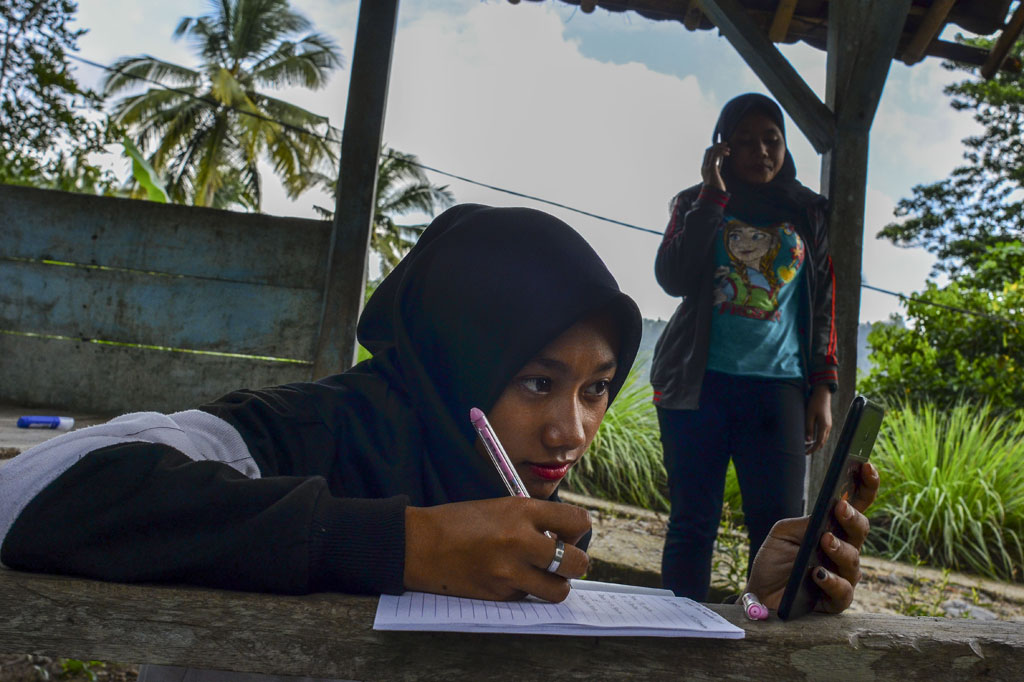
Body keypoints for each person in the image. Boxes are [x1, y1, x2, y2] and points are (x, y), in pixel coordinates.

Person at [1, 204, 869, 682]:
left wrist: (756, 611)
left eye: (597, 388)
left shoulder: (516, 500)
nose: (572, 429)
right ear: (459, 351)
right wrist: (405, 545)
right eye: (537, 382)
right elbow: (36, 490)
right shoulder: (312, 430)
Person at [652, 93, 839, 600]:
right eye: (745, 141)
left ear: (785, 145)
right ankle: (679, 637)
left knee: (778, 532)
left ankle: (766, 645)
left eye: (771, 139)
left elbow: (823, 301)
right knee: (692, 524)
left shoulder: (809, 212)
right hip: (697, 386)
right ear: (722, 150)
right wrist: (712, 196)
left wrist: (823, 388)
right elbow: (672, 276)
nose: (761, 150)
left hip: (777, 390)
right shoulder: (693, 202)